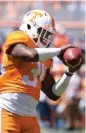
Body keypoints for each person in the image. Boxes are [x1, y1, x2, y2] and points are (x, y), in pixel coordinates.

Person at [0, 10, 83, 133]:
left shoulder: (45, 58)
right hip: (7, 111)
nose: (46, 38)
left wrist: (69, 73)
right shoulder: (17, 37)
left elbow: (54, 94)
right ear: (29, 27)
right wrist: (58, 51)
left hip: (30, 116)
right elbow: (29, 55)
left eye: (49, 34)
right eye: (43, 32)